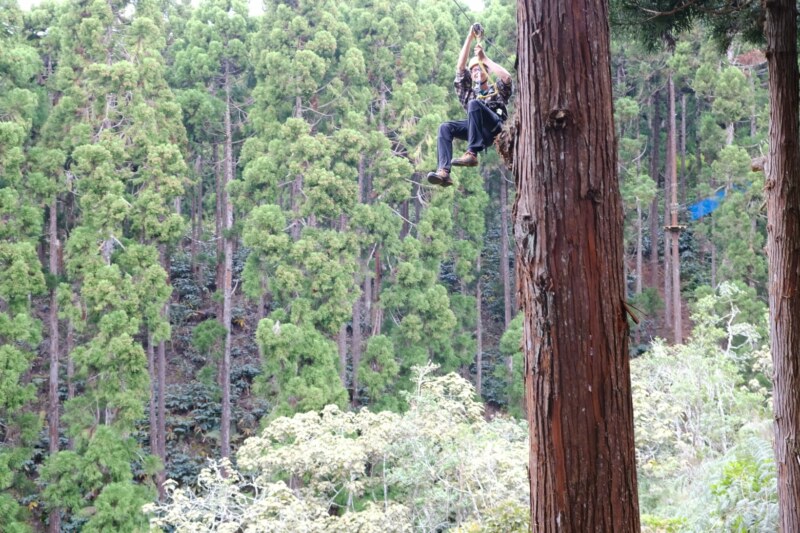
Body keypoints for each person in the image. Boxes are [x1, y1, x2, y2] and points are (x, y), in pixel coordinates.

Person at [427, 26, 513, 187]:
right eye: (473, 71)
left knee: (474, 104)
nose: (476, 73)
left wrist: (484, 59)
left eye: (480, 69)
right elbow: (460, 69)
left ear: (487, 71)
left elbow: (507, 78)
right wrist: (469, 37)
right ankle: (444, 172)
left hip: (495, 127)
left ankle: (472, 153)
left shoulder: (497, 90)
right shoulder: (469, 93)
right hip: (478, 131)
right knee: (445, 127)